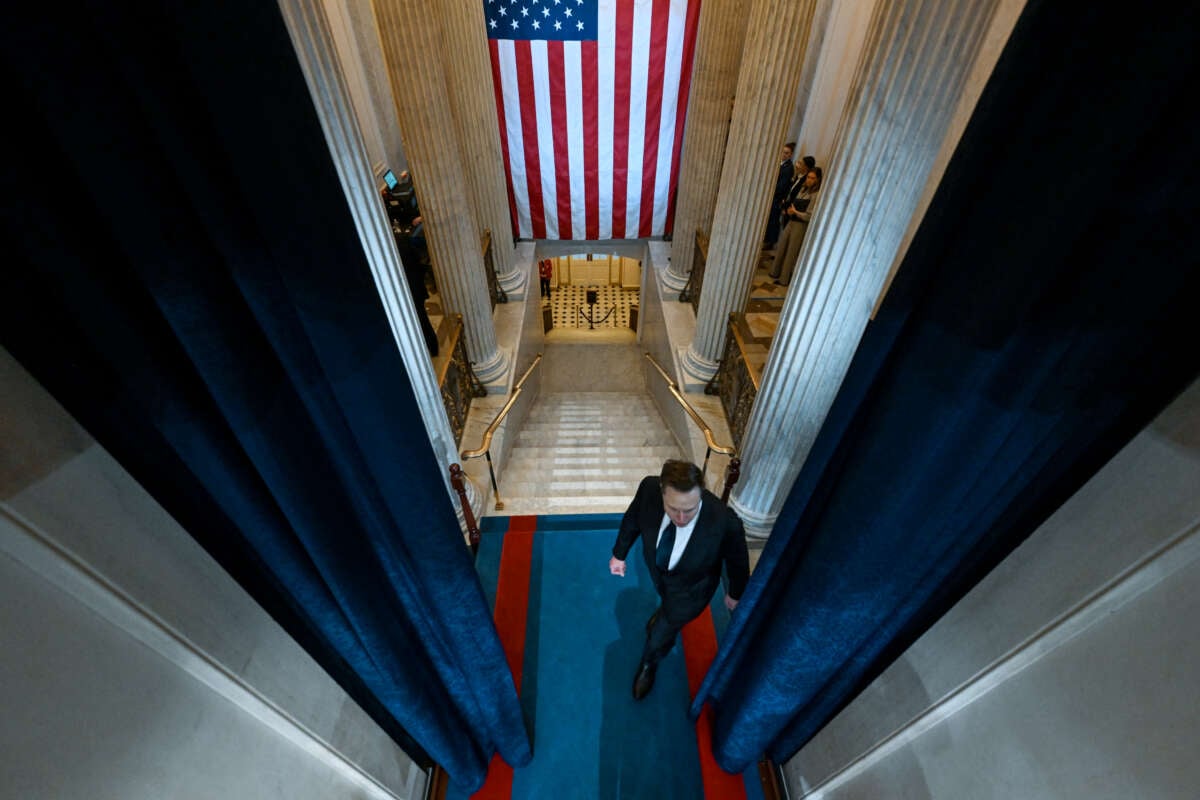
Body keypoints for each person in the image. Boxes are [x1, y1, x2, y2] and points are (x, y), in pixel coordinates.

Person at [608, 459, 750, 700]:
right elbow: (633, 518)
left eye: (690, 509)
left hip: (691, 593)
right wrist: (619, 554)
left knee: (662, 632)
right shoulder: (649, 489)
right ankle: (663, 613)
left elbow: (738, 562)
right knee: (665, 608)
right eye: (674, 508)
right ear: (662, 492)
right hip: (659, 575)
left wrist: (735, 593)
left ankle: (649, 663)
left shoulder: (725, 522)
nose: (682, 518)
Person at [770, 164, 822, 287]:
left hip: (801, 224)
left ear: (818, 180)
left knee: (791, 252)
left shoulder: (816, 195)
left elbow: (809, 216)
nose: (809, 180)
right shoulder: (803, 190)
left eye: (812, 178)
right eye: (808, 177)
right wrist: (790, 210)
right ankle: (774, 272)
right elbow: (794, 204)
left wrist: (796, 212)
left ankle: (784, 279)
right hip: (792, 220)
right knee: (782, 246)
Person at [763, 142, 795, 247]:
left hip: (777, 197)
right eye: (783, 152)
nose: (784, 154)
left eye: (787, 153)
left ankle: (770, 242)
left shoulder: (789, 167)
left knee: (773, 220)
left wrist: (770, 191)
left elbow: (782, 185)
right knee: (769, 219)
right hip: (772, 195)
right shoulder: (780, 163)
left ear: (791, 154)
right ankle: (766, 239)